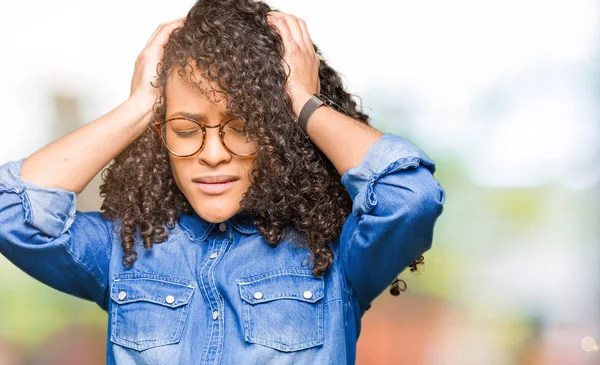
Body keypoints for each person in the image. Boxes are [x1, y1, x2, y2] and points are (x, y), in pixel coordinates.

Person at [0, 0, 446, 364]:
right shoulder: (124, 250)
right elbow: (12, 211)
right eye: (186, 129)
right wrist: (139, 105)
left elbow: (409, 197)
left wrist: (303, 102)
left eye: (244, 126)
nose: (213, 154)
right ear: (160, 136)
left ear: (278, 132)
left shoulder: (336, 255)